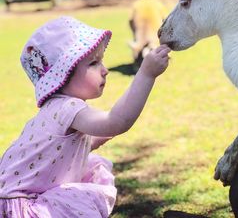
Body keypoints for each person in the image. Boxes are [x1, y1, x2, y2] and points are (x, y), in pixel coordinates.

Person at [0, 16, 171, 217]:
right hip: (25, 207)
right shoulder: (67, 108)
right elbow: (116, 122)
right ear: (63, 75)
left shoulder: (56, 108)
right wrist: (146, 74)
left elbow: (80, 145)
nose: (105, 70)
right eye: (93, 63)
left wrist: (113, 127)